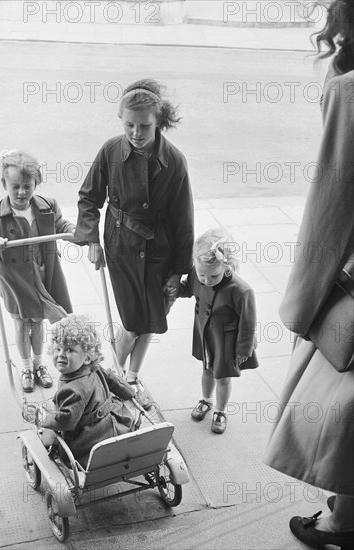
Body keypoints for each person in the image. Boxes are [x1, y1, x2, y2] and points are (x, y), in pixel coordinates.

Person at [265, 1, 354, 546]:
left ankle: (343, 521)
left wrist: (302, 304)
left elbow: (332, 206)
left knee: (338, 402)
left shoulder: (348, 92)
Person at [75, 78, 194, 410]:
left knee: (150, 321)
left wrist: (179, 272)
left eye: (145, 126)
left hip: (160, 254)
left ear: (158, 122)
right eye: (129, 124)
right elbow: (88, 198)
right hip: (121, 246)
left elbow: (183, 220)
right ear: (121, 118)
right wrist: (91, 241)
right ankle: (106, 380)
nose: (136, 133)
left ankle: (130, 377)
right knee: (131, 324)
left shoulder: (175, 162)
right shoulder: (111, 151)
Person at [0, 149, 75, 393]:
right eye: (15, 186)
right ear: (4, 184)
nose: (21, 192)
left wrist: (73, 231)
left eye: (27, 186)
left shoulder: (47, 206)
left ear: (36, 184)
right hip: (14, 277)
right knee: (21, 321)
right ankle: (26, 366)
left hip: (41, 272)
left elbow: (60, 224)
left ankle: (40, 364)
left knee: (38, 320)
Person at [175, 228, 258, 434]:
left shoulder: (241, 290)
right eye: (202, 274)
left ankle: (220, 411)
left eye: (213, 276)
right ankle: (206, 399)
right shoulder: (198, 273)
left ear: (227, 266)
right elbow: (189, 287)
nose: (206, 280)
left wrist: (243, 351)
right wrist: (176, 289)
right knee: (206, 370)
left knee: (222, 376)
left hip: (226, 342)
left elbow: (248, 324)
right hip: (206, 335)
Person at [37, 314, 136, 468]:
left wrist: (46, 420)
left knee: (51, 418)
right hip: (116, 425)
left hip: (89, 442)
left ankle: (45, 445)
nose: (61, 354)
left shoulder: (72, 390)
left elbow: (67, 421)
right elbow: (114, 381)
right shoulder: (94, 367)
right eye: (58, 348)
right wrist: (130, 392)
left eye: (70, 350)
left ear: (87, 357)